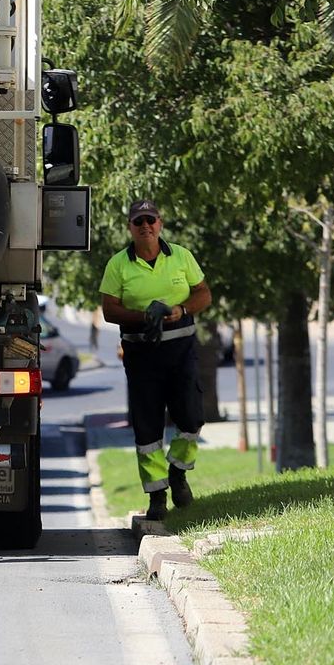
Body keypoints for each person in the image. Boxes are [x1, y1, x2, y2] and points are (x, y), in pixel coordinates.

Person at [99, 199, 212, 520]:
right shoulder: (118, 265)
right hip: (141, 357)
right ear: (130, 227)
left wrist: (181, 310)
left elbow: (204, 293)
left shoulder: (181, 256)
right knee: (147, 428)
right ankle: (157, 496)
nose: (145, 226)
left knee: (191, 419)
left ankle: (178, 472)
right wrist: (144, 316)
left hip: (181, 353)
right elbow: (109, 310)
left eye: (151, 220)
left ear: (160, 223)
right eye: (139, 221)